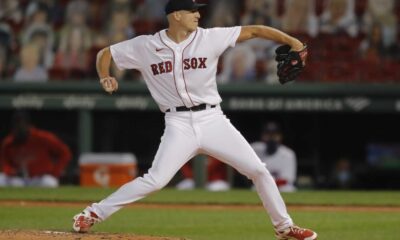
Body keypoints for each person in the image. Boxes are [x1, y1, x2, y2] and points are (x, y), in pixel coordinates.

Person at [72, 0, 317, 239]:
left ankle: (284, 227)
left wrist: (293, 41)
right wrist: (105, 76)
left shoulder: (209, 37)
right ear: (176, 15)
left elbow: (255, 30)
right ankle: (93, 213)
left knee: (258, 171)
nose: (198, 15)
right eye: (192, 11)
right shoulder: (146, 45)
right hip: (177, 123)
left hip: (213, 119)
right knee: (155, 180)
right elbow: (106, 54)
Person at [0, 111, 72, 187]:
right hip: (19, 180)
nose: (18, 128)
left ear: (28, 125)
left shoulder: (41, 137)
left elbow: (65, 152)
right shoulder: (8, 143)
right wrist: (11, 171)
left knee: (50, 183)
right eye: (16, 126)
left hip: (39, 179)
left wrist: (54, 173)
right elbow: (5, 163)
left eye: (21, 125)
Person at [251, 122, 297, 192]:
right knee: (254, 188)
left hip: (281, 187)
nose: (271, 138)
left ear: (280, 136)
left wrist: (268, 182)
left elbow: (287, 180)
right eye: (268, 134)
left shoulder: (288, 154)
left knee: (288, 189)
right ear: (262, 136)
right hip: (263, 185)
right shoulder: (256, 149)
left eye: (274, 135)